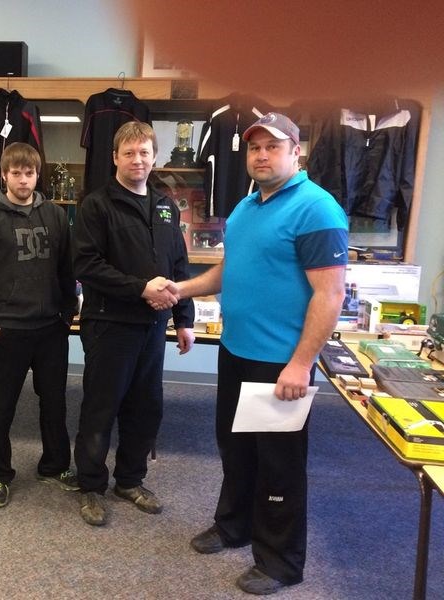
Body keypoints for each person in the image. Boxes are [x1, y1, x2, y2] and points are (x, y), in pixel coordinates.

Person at [175, 112, 348, 595]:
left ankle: (280, 562)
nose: (262, 155)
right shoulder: (248, 207)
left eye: (273, 147)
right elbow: (229, 272)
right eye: (255, 148)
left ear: (297, 153)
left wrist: (300, 363)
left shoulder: (317, 209)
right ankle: (233, 526)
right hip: (236, 351)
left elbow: (330, 295)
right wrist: (181, 289)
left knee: (279, 465)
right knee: (236, 450)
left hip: (280, 363)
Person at [72, 121, 195, 527]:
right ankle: (91, 485)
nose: (137, 160)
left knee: (146, 408)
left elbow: (178, 265)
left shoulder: (165, 206)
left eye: (144, 152)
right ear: (115, 158)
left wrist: (184, 319)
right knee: (101, 408)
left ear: (154, 156)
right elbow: (87, 265)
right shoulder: (97, 205)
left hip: (153, 328)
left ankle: (130, 480)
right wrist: (141, 287)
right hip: (110, 325)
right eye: (129, 153)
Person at [0, 142, 78, 508]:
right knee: (0, 408)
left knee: (54, 403)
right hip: (6, 331)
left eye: (29, 173)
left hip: (50, 331)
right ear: (4, 175)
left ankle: (54, 466)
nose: (23, 180)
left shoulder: (56, 216)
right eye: (16, 173)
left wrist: (66, 314)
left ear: (37, 175)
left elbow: (67, 270)